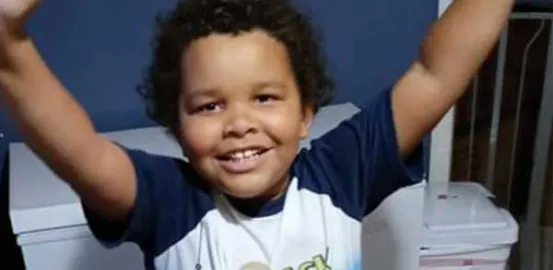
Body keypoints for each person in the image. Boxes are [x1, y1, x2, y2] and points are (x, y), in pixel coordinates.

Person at [0, 0, 514, 269]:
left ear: (306, 114)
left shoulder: (340, 171)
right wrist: (11, 46)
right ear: (178, 128)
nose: (239, 123)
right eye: (209, 105)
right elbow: (82, 153)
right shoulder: (170, 202)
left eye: (264, 97)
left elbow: (435, 73)